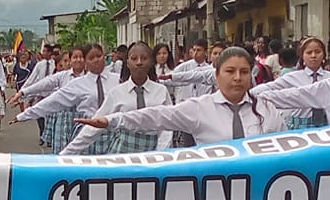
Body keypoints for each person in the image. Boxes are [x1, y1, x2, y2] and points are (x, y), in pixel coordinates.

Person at [74, 45, 288, 147]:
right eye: (230, 71)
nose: (237, 78)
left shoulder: (265, 109)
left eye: (244, 72)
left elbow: (287, 146)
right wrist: (111, 120)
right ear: (216, 75)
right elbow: (155, 116)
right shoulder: (199, 108)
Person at [58, 43, 171, 155]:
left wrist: (160, 152)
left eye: (144, 58)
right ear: (127, 63)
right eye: (134, 58)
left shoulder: (161, 91)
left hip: (153, 151)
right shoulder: (117, 93)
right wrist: (66, 153)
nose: (139, 62)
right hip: (122, 152)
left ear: (151, 62)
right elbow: (95, 125)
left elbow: (168, 125)